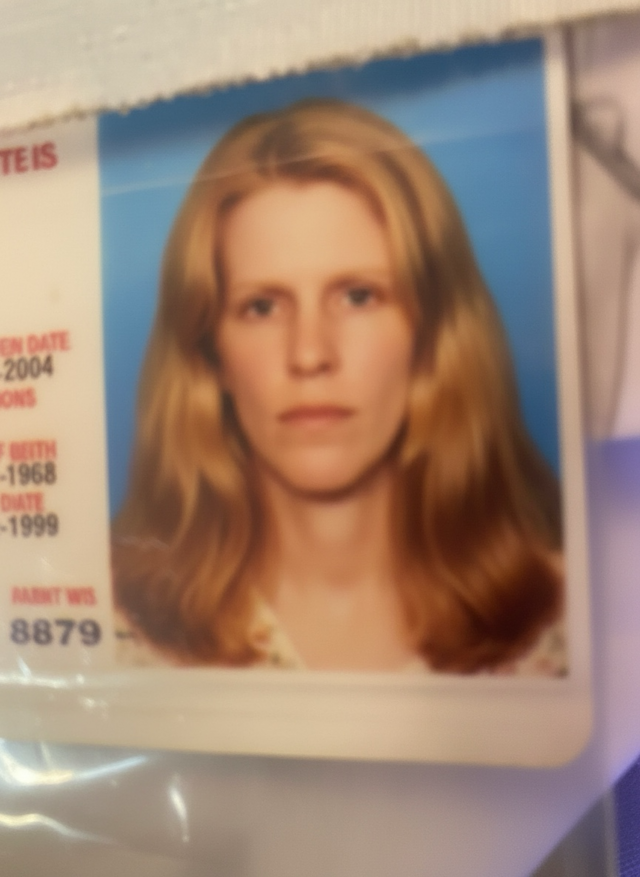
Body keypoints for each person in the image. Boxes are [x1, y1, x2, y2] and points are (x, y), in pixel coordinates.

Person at [112, 98, 565, 674]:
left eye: (358, 296)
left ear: (431, 334)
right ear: (209, 351)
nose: (310, 355)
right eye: (262, 306)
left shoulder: (572, 622)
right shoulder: (107, 623)